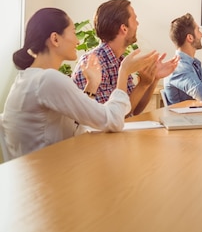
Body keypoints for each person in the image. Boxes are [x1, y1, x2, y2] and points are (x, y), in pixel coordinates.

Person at [1, 8, 157, 159]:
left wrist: (91, 87)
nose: (77, 41)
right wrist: (124, 72)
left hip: (41, 171)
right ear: (55, 39)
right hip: (49, 175)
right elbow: (113, 121)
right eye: (74, 33)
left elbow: (78, 124)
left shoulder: (28, 78)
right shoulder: (48, 79)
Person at [72, 0, 179, 116]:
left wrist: (151, 81)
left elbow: (134, 109)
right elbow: (111, 118)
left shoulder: (120, 61)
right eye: (135, 19)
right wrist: (128, 73)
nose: (138, 24)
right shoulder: (92, 63)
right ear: (124, 28)